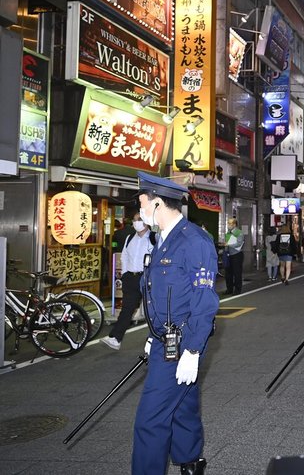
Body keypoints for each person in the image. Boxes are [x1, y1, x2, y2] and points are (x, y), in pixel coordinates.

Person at [132, 171, 218, 475]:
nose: (139, 211)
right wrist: (152, 333)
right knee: (182, 404)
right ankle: (190, 461)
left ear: (158, 204)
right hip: (164, 338)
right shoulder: (163, 240)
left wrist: (193, 351)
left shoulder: (194, 241)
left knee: (150, 420)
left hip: (182, 341)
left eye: (143, 203)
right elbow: (161, 293)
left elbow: (205, 301)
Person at [101, 213, 155, 350]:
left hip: (147, 277)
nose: (136, 222)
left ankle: (156, 339)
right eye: (135, 220)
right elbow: (124, 256)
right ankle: (115, 338)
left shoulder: (154, 238)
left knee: (153, 310)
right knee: (127, 309)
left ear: (147, 221)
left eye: (140, 220)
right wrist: (125, 273)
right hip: (131, 277)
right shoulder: (130, 238)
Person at [223, 217, 245, 295]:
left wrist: (228, 244)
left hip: (237, 255)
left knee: (237, 273)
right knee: (228, 273)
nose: (228, 225)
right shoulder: (228, 233)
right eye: (228, 223)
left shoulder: (239, 232)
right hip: (229, 254)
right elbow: (226, 244)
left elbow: (239, 243)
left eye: (230, 223)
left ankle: (237, 290)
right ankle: (229, 289)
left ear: (234, 224)